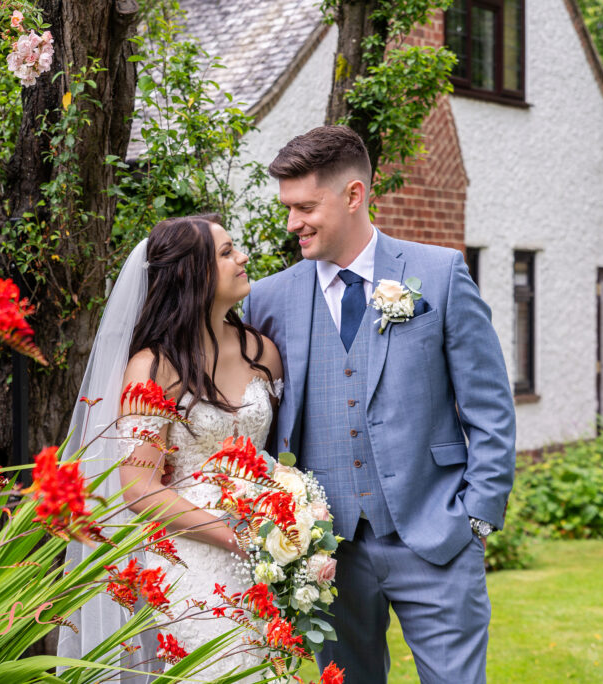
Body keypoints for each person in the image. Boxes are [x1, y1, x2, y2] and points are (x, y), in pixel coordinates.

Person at [244, 125, 516, 683]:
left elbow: (489, 406)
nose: (292, 222)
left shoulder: (438, 275)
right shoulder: (268, 299)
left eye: (305, 206)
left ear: (353, 195)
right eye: (287, 208)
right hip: (324, 553)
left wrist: (477, 516)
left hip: (435, 534)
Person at [57, 215, 283, 683]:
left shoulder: (263, 352)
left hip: (268, 561)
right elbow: (139, 491)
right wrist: (235, 535)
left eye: (235, 248)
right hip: (192, 559)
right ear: (190, 273)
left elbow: (279, 456)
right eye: (225, 253)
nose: (242, 258)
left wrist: (286, 525)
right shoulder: (152, 368)